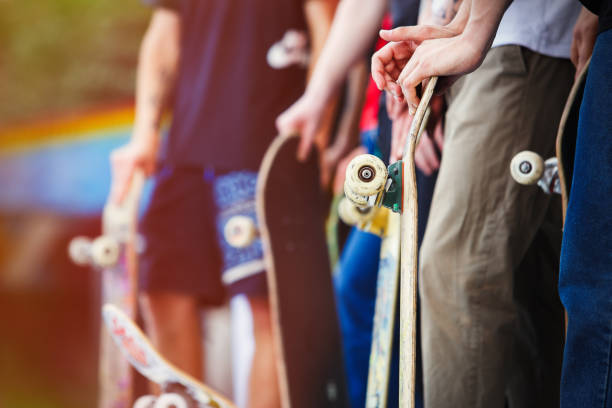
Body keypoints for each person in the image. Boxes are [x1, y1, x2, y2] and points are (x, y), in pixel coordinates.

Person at [108, 1, 337, 406]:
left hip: (265, 148)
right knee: (163, 288)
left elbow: (328, 23)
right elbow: (164, 32)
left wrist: (321, 129)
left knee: (268, 310)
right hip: (186, 150)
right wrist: (145, 134)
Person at [373, 0, 583, 406]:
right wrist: (438, 35)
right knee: (523, 295)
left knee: (458, 272)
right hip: (484, 40)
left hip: (517, 41)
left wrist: (462, 33)